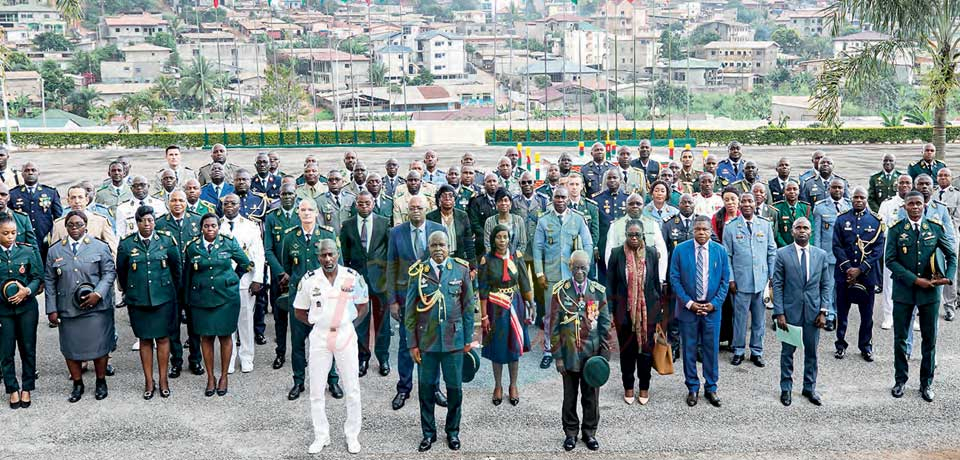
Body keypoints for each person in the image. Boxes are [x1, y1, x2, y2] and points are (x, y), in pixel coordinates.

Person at [294, 239, 368, 454]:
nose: (328, 259)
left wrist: (348, 325)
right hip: (320, 337)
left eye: (331, 254)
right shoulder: (310, 280)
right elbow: (299, 310)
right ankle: (321, 435)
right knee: (316, 390)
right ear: (318, 257)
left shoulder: (351, 277)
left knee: (352, 388)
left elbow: (363, 306)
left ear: (338, 254)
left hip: (345, 334)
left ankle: (352, 435)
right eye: (323, 255)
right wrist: (317, 323)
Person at [405, 231, 475, 452]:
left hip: (454, 341)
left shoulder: (460, 269)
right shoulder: (418, 272)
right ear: (428, 247)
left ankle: (452, 432)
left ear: (449, 246)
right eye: (433, 245)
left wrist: (467, 339)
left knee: (454, 390)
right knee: (426, 390)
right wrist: (412, 344)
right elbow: (409, 312)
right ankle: (428, 434)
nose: (438, 249)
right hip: (427, 342)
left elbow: (468, 307)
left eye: (441, 245)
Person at [886, 192, 957, 402]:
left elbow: (952, 254)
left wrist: (948, 278)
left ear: (925, 206)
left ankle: (926, 383)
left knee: (929, 339)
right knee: (900, 339)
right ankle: (900, 380)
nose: (915, 207)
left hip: (930, 293)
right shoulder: (896, 229)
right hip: (904, 291)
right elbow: (890, 260)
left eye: (919, 204)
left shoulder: (935, 227)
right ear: (905, 207)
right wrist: (915, 280)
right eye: (911, 204)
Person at [44, 211, 116, 402]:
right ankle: (78, 384)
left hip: (96, 308)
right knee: (71, 348)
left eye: (79, 224)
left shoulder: (99, 247)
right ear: (66, 227)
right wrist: (51, 309)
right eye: (71, 225)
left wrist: (98, 294)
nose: (75, 228)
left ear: (86, 225)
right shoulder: (55, 250)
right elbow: (50, 281)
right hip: (68, 308)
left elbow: (109, 273)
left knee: (100, 347)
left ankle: (101, 381)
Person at [385, 195, 447, 410]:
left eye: (420, 207)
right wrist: (392, 301)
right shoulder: (396, 233)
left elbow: (446, 264)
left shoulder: (438, 229)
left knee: (433, 344)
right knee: (405, 344)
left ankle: (434, 387)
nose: (416, 211)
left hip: (432, 296)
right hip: (406, 299)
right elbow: (391, 267)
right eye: (412, 208)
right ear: (407, 211)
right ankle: (403, 388)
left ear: (427, 208)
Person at [183, 213, 254, 397]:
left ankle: (223, 376)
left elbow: (245, 263)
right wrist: (187, 301)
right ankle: (210, 378)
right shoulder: (192, 247)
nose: (210, 229)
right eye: (206, 226)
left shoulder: (228, 242)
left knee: (225, 337)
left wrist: (231, 280)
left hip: (226, 299)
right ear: (201, 228)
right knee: (205, 338)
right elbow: (188, 275)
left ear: (218, 226)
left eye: (213, 225)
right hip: (201, 299)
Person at [115, 206, 181, 400]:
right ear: (137, 223)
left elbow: (176, 269)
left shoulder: (166, 241)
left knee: (162, 338)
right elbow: (122, 272)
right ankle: (149, 381)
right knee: (145, 340)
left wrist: (173, 293)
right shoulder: (127, 244)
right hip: (139, 299)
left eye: (150, 220)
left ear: (154, 222)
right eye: (143, 220)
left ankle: (163, 380)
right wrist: (131, 292)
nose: (147, 224)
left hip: (163, 298)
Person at [550, 250, 610, 452]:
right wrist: (557, 357)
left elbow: (604, 324)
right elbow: (554, 327)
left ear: (589, 267)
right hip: (568, 355)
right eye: (576, 267)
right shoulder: (560, 292)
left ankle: (590, 432)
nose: (580, 271)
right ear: (570, 267)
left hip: (591, 355)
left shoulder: (598, 291)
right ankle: (570, 433)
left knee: (591, 396)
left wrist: (604, 355)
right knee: (569, 397)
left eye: (583, 267)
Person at [280, 200, 340, 401]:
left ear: (317, 212)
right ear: (298, 213)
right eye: (303, 210)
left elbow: (335, 265)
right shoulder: (290, 236)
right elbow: (286, 265)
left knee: (327, 340)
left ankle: (332, 380)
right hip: (299, 298)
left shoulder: (327, 234)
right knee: (298, 341)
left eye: (310, 210)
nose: (306, 213)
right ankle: (298, 381)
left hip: (322, 298)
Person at [669, 216, 730, 408]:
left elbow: (724, 281)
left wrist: (714, 304)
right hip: (689, 310)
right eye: (698, 230)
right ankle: (692, 387)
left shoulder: (720, 251)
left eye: (705, 229)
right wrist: (689, 303)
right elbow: (674, 278)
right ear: (693, 231)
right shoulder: (680, 250)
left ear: (711, 230)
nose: (701, 233)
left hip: (712, 309)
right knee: (689, 349)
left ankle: (711, 387)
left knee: (711, 349)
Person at [771, 217, 832, 406]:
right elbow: (778, 285)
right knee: (787, 353)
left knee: (812, 353)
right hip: (789, 313)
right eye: (798, 227)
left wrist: (824, 311)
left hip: (814, 313)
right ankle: (786, 389)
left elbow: (826, 285)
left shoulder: (820, 255)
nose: (802, 231)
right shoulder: (782, 254)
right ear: (792, 231)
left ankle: (809, 388)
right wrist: (779, 312)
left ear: (811, 231)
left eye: (806, 227)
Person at [533, 187, 593, 370]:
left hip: (573, 276)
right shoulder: (544, 220)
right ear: (552, 199)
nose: (560, 200)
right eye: (557, 197)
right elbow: (537, 248)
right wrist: (539, 273)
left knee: (573, 311)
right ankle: (549, 350)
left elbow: (588, 243)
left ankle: (572, 346)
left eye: (563, 197)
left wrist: (584, 267)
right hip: (551, 276)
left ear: (568, 199)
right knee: (551, 314)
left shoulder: (577, 219)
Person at [607, 220, 662, 405]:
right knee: (627, 352)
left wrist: (659, 311)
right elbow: (610, 285)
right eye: (630, 235)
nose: (634, 238)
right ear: (625, 235)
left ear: (643, 235)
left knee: (646, 352)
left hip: (648, 313)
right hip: (624, 312)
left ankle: (644, 387)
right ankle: (628, 387)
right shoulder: (616, 254)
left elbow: (655, 284)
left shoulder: (652, 253)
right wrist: (611, 312)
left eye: (637, 234)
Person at [479, 225, 534, 406]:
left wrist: (530, 303)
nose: (502, 241)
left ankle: (513, 385)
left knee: (513, 346)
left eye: (505, 237)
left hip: (515, 305)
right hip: (496, 308)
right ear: (493, 240)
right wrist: (484, 316)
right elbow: (483, 291)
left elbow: (524, 282)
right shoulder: (486, 261)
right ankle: (497, 386)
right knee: (497, 347)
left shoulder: (516, 257)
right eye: (499, 237)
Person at [831, 187, 884, 362]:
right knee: (842, 313)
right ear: (851, 199)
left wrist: (860, 269)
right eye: (855, 197)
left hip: (866, 275)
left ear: (867, 199)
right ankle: (840, 345)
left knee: (867, 315)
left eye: (862, 197)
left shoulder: (875, 221)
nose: (858, 200)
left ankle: (866, 347)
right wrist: (848, 268)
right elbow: (837, 246)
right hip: (844, 275)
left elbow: (878, 249)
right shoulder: (842, 219)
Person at [722, 193, 776, 367]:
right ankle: (738, 350)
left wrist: (772, 277)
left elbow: (771, 251)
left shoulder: (765, 225)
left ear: (756, 203)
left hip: (760, 281)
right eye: (743, 201)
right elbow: (727, 256)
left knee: (759, 320)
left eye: (750, 201)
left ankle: (756, 351)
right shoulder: (730, 227)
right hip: (740, 282)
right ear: (739, 204)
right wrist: (730, 279)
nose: (747, 204)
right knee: (740, 319)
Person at [341, 192, 391, 378]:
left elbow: (389, 251)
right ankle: (363, 357)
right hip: (357, 280)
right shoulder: (347, 225)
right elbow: (344, 255)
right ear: (356, 204)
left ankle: (383, 358)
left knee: (382, 322)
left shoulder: (384, 222)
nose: (364, 206)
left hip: (381, 280)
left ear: (372, 203)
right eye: (360, 203)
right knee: (360, 321)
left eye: (367, 203)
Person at [155, 191, 203, 377]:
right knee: (172, 324)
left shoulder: (197, 221)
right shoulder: (160, 223)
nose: (177, 203)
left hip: (193, 280)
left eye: (181, 200)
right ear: (168, 202)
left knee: (195, 323)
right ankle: (176, 361)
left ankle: (196, 360)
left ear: (186, 203)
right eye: (174, 200)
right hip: (170, 282)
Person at [0, 215, 42, 409]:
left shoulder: (27, 250)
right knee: (6, 351)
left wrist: (27, 290)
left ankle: (27, 387)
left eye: (13, 233)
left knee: (27, 348)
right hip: (3, 311)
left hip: (26, 309)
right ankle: (12, 389)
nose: (10, 237)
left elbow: (37, 277)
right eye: (5, 233)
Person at [220, 195, 265, 374]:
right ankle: (229, 357)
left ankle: (246, 357)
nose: (229, 206)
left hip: (245, 278)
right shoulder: (216, 225)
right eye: (226, 204)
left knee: (246, 321)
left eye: (233, 203)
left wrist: (258, 279)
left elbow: (259, 254)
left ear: (240, 206)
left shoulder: (250, 226)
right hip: (223, 279)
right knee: (227, 321)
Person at [262, 183, 301, 370]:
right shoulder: (271, 217)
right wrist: (280, 272)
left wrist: (293, 275)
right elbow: (268, 249)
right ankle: (280, 353)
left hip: (298, 276)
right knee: (279, 317)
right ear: (279, 196)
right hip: (279, 277)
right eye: (284, 194)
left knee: (299, 317)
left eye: (290, 194)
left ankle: (298, 354)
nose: (287, 197)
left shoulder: (302, 214)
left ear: (295, 195)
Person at [812, 178, 851, 330]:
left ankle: (840, 312)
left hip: (845, 256)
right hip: (827, 255)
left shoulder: (849, 205)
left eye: (840, 188)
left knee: (841, 287)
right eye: (834, 187)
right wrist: (818, 255)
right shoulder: (820, 207)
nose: (837, 190)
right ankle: (829, 315)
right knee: (828, 285)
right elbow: (817, 236)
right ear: (829, 189)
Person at [878, 174, 914, 330]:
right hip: (893, 248)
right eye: (901, 183)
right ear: (896, 185)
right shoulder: (888, 204)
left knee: (912, 283)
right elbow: (882, 226)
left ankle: (912, 317)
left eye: (907, 183)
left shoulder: (916, 203)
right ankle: (888, 315)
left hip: (912, 250)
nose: (904, 185)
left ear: (912, 185)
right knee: (889, 284)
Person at [9, 162, 62, 260]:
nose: (30, 172)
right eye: (27, 170)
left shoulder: (50, 192)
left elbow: (59, 218)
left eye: (33, 170)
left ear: (38, 173)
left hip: (45, 239)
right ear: (22, 174)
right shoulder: (13, 193)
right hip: (22, 240)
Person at [48, 184, 117, 254]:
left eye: (80, 197)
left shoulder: (101, 221)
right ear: (68, 201)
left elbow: (112, 249)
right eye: (73, 198)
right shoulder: (59, 224)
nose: (77, 201)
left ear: (87, 200)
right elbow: (54, 252)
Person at [427, 185, 476, 268]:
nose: (447, 198)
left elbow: (468, 242)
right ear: (439, 199)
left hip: (458, 259)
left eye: (450, 195)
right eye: (444, 195)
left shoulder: (463, 216)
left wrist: (472, 266)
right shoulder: (430, 217)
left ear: (454, 200)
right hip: (438, 259)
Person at [934, 168, 960, 321]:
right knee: (933, 268)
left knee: (951, 271)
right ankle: (930, 303)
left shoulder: (957, 194)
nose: (943, 178)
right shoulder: (933, 193)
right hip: (933, 237)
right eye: (940, 175)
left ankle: (950, 306)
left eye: (946, 175)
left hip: (951, 236)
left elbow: (957, 218)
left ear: (951, 178)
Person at [483, 188, 526, 255]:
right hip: (495, 261)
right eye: (500, 201)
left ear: (511, 204)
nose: (503, 203)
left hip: (515, 260)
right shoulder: (489, 221)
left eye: (506, 200)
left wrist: (513, 259)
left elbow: (522, 244)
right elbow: (487, 244)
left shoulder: (519, 220)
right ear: (496, 204)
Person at [772, 181, 810, 247]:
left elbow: (811, 230)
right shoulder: (777, 208)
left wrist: (806, 246)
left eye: (795, 189)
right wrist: (787, 247)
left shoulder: (806, 208)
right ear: (784, 192)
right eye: (788, 189)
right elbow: (776, 233)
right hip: (783, 248)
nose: (792, 192)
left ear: (799, 191)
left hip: (803, 247)